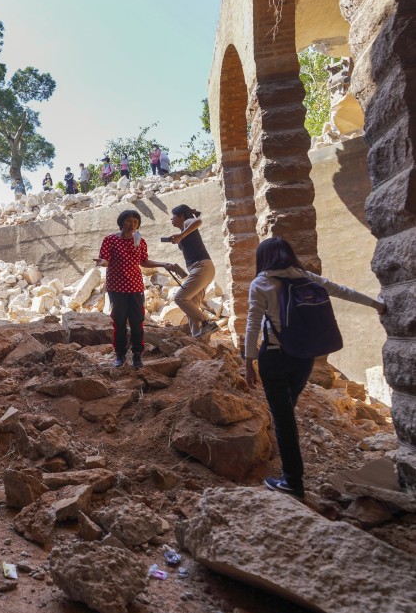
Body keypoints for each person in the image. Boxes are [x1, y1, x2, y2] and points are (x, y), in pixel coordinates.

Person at [243, 237, 385, 497]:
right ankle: (287, 457)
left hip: (274, 356)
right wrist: (377, 304)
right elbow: (343, 290)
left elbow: (253, 324)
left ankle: (292, 482)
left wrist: (248, 361)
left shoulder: (261, 283)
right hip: (303, 356)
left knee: (283, 418)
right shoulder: (306, 277)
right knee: (287, 411)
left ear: (263, 258)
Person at [95, 210, 177, 369]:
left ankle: (137, 355)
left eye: (135, 221)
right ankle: (119, 355)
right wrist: (102, 263)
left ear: (138, 224)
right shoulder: (110, 240)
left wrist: (163, 264)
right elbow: (105, 259)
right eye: (128, 220)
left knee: (137, 322)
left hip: (135, 286)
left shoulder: (140, 241)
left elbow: (144, 262)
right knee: (119, 322)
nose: (131, 224)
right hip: (117, 287)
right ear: (121, 222)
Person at [165, 204, 219, 338]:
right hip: (203, 268)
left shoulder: (187, 222)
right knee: (192, 305)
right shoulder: (184, 230)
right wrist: (179, 239)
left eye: (173, 216)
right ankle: (199, 340)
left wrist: (181, 235)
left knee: (180, 298)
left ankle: (207, 322)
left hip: (202, 267)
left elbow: (198, 221)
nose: (171, 219)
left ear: (181, 216)